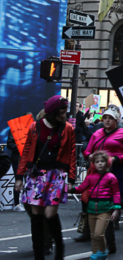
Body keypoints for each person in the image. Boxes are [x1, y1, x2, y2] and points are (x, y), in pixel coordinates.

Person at [15, 95, 76, 260]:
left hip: (56, 174)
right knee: (36, 215)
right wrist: (19, 177)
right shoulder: (35, 127)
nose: (65, 115)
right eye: (62, 112)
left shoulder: (68, 128)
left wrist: (71, 179)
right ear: (53, 112)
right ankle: (38, 254)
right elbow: (27, 151)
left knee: (49, 214)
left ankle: (59, 249)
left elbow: (72, 154)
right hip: (36, 175)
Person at [83, 106, 123, 252]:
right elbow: (87, 149)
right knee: (102, 205)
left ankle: (108, 242)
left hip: (119, 172)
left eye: (110, 118)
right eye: (105, 117)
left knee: (109, 205)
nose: (106, 120)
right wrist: (89, 156)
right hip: (99, 173)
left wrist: (114, 160)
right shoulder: (97, 132)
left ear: (116, 120)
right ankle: (107, 242)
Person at [69, 151, 121, 260]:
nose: (100, 164)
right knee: (93, 235)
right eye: (97, 162)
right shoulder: (90, 177)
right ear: (93, 164)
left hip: (105, 208)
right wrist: (71, 189)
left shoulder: (111, 177)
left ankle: (102, 252)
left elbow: (116, 193)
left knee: (98, 234)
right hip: (91, 208)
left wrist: (116, 208)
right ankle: (95, 253)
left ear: (107, 163)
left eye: (102, 161)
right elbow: (81, 188)